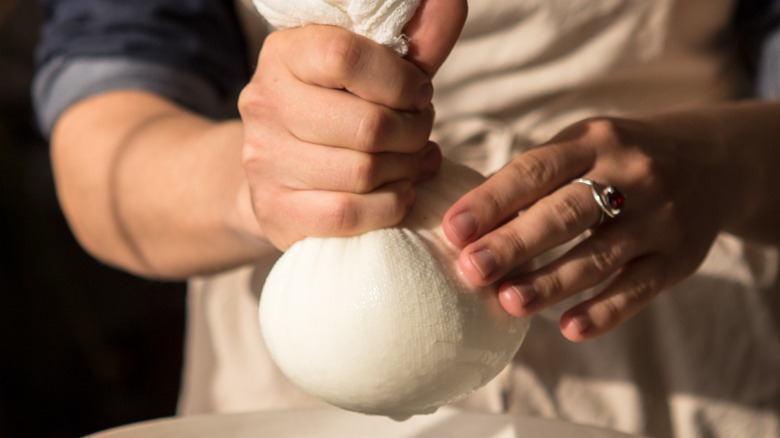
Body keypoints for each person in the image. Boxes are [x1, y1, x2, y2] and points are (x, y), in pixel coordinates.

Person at [34, 0, 780, 436]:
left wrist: (723, 160)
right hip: (304, 379)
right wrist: (263, 179)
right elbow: (103, 152)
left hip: (670, 328)